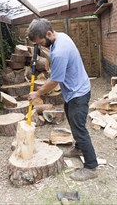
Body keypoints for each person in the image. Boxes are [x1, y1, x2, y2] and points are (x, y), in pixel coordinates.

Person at [27, 18, 98, 181]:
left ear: (49, 33)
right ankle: (78, 148)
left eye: (41, 42)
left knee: (79, 129)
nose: (41, 45)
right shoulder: (62, 36)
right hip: (74, 90)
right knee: (73, 122)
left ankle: (91, 167)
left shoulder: (59, 51)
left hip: (78, 93)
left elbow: (54, 81)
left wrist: (37, 94)